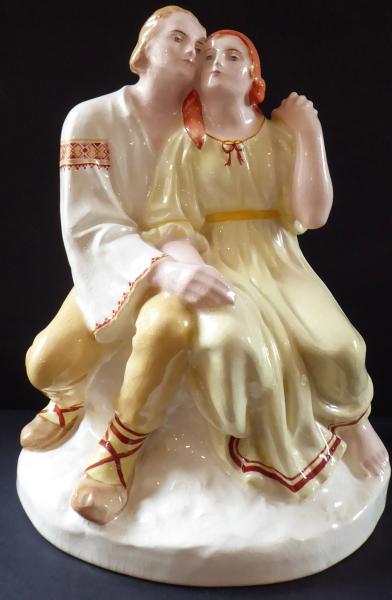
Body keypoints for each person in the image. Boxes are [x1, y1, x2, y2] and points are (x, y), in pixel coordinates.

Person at [73, 29, 389, 524]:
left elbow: (313, 213)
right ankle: (242, 448)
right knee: (234, 345)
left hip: (278, 260)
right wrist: (193, 268)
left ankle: (353, 424)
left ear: (253, 77)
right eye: (207, 56)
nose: (217, 61)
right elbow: (170, 221)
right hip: (216, 259)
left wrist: (309, 132)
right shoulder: (183, 145)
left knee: (338, 345)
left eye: (233, 55)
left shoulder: (279, 139)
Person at [20, 9, 233, 453]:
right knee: (45, 364)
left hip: (192, 259)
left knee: (166, 329)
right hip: (118, 265)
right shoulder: (91, 119)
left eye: (200, 47)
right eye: (177, 38)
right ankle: (69, 397)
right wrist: (161, 270)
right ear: (145, 47)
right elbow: (88, 221)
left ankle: (124, 442)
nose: (191, 52)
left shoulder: (208, 128)